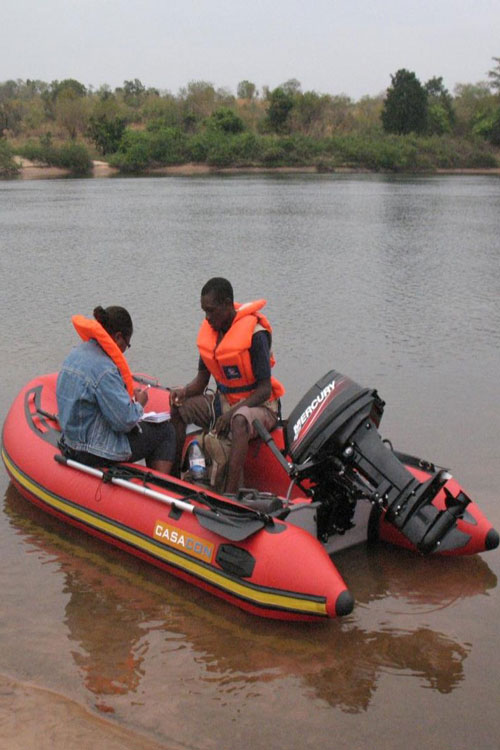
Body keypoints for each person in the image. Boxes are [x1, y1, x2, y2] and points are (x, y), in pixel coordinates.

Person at [170, 278, 285, 494]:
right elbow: (201, 382)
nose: (207, 318)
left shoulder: (255, 335)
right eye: (204, 311)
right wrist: (183, 392)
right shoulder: (211, 335)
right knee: (179, 408)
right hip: (224, 403)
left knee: (239, 419)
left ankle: (231, 495)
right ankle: (173, 477)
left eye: (211, 311)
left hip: (260, 406)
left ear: (227, 303)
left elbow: (264, 390)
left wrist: (230, 414)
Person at [56, 305, 175, 473]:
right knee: (165, 431)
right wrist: (139, 405)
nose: (125, 350)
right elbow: (124, 422)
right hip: (91, 451)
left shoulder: (76, 354)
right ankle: (162, 489)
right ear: (119, 337)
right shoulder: (105, 369)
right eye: (127, 344)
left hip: (70, 440)